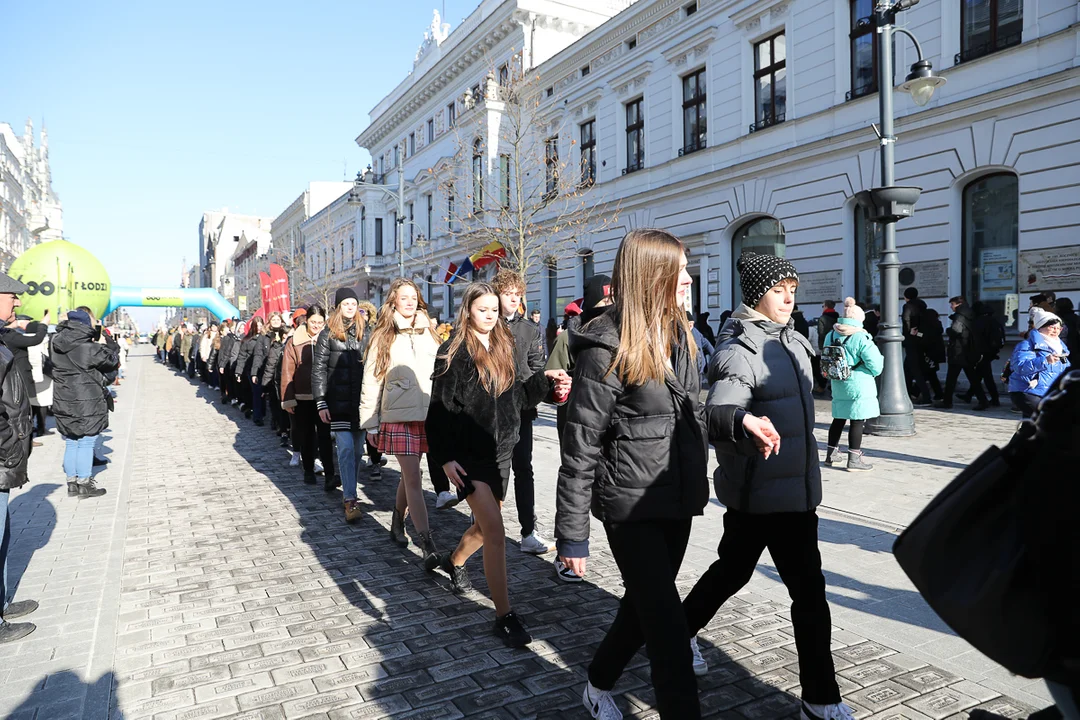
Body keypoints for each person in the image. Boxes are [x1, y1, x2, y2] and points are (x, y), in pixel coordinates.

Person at [555, 232, 780, 720]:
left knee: (642, 605)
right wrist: (572, 536)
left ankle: (597, 683)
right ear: (651, 277)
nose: (688, 278)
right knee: (669, 632)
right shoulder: (603, 347)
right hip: (628, 506)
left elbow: (692, 411)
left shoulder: (679, 333)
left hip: (676, 496)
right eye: (679, 270)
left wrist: (738, 422)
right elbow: (579, 447)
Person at [683, 252, 856, 720]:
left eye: (792, 290)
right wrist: (742, 420)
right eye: (779, 290)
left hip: (794, 491)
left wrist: (847, 339)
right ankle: (821, 698)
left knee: (744, 573)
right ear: (756, 293)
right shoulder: (740, 347)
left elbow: (822, 382)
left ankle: (681, 630)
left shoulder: (795, 339)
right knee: (798, 590)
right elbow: (717, 411)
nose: (787, 298)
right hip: (761, 492)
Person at [428, 282, 570, 647]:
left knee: (484, 525)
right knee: (494, 529)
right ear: (468, 310)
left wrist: (546, 381)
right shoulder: (453, 352)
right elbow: (439, 412)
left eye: (494, 309)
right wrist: (444, 459)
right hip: (467, 455)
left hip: (501, 450)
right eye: (482, 309)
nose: (490, 315)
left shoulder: (505, 343)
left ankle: (455, 561)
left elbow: (520, 397)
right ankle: (504, 615)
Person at [359, 279, 440, 564]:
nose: (409, 301)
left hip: (428, 413)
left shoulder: (430, 331)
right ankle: (427, 543)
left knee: (410, 475)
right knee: (414, 478)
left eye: (413, 297)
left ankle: (397, 521)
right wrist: (370, 422)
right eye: (403, 297)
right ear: (393, 301)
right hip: (398, 416)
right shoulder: (383, 335)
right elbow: (371, 378)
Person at [493, 269, 553, 555]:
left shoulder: (530, 328)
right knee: (494, 468)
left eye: (518, 294)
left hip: (521, 409)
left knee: (523, 468)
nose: (514, 299)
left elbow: (537, 368)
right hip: (490, 410)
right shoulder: (488, 324)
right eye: (508, 293)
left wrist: (539, 392)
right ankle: (484, 520)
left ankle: (529, 530)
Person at [0, 273, 35, 645]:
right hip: (2, 455)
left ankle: (3, 602)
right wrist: (10, 445)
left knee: (3, 535)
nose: (18, 303)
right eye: (12, 296)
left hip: (6, 457)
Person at [51, 309, 119, 499]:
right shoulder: (89, 348)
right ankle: (85, 483)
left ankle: (71, 483)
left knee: (71, 440)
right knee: (87, 441)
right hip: (87, 398)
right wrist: (107, 344)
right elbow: (112, 362)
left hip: (63, 397)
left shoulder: (55, 343)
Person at [313, 289, 368, 522]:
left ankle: (350, 487)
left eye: (353, 303)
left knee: (357, 451)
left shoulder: (367, 332)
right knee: (345, 449)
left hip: (362, 404)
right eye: (345, 303)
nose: (349, 307)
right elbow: (318, 371)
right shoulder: (327, 334)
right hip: (338, 403)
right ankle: (350, 498)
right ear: (338, 306)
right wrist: (321, 402)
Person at [822, 298, 884, 471]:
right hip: (858, 383)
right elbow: (876, 364)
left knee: (839, 418)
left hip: (838, 381)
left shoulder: (832, 334)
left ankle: (830, 455)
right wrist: (870, 372)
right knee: (857, 421)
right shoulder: (860, 336)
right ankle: (854, 460)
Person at [281, 307, 336, 485]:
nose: (317, 326)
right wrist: (288, 398)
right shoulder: (294, 341)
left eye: (320, 323)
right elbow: (287, 371)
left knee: (325, 436)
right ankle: (308, 470)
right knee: (306, 435)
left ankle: (329, 474)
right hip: (302, 396)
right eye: (313, 322)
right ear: (306, 321)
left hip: (324, 396)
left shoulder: (329, 337)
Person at [1007, 308, 1071, 418]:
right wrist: (1045, 360)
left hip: (1046, 393)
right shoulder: (1027, 345)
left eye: (1058, 328)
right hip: (1028, 391)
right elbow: (1020, 367)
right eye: (1052, 327)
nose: (1055, 331)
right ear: (1040, 327)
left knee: (1029, 428)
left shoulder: (1060, 349)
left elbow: (1066, 370)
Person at [937, 296, 989, 410]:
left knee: (951, 378)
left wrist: (948, 330)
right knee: (973, 378)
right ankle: (983, 400)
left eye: (952, 304)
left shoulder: (960, 316)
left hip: (958, 351)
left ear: (958, 304)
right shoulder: (970, 314)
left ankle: (947, 402)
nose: (951, 307)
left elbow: (956, 330)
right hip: (967, 350)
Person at [357, 301, 387, 479]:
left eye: (365, 313)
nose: (363, 315)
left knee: (372, 421)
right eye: (360, 312)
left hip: (371, 377)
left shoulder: (375, 333)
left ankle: (375, 460)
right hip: (356, 380)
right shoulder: (352, 332)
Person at [959, 302, 1005, 407]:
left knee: (986, 376)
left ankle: (994, 399)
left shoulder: (979, 321)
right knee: (980, 375)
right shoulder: (994, 320)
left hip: (982, 353)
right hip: (991, 352)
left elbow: (977, 339)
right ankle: (969, 395)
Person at [261, 315, 290, 445]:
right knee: (281, 409)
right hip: (278, 384)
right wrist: (265, 386)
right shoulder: (276, 348)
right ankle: (283, 431)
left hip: (293, 384)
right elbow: (270, 367)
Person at [236, 316, 269, 425]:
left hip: (264, 369)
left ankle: (262, 413)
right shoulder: (247, 340)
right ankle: (257, 417)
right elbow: (241, 356)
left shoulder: (266, 338)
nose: (259, 328)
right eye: (257, 325)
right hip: (251, 370)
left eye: (261, 325)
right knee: (257, 392)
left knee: (262, 393)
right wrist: (238, 372)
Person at [27, 323, 52, 437]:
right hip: (44, 376)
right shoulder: (43, 340)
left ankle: (30, 427)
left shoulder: (23, 340)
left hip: (29, 375)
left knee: (31, 403)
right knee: (43, 403)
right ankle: (41, 427)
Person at [813, 300, 840, 393]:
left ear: (826, 306)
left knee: (824, 366)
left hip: (825, 345)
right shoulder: (837, 317)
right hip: (836, 344)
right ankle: (834, 385)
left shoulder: (822, 318)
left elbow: (820, 332)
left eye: (823, 306)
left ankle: (823, 385)